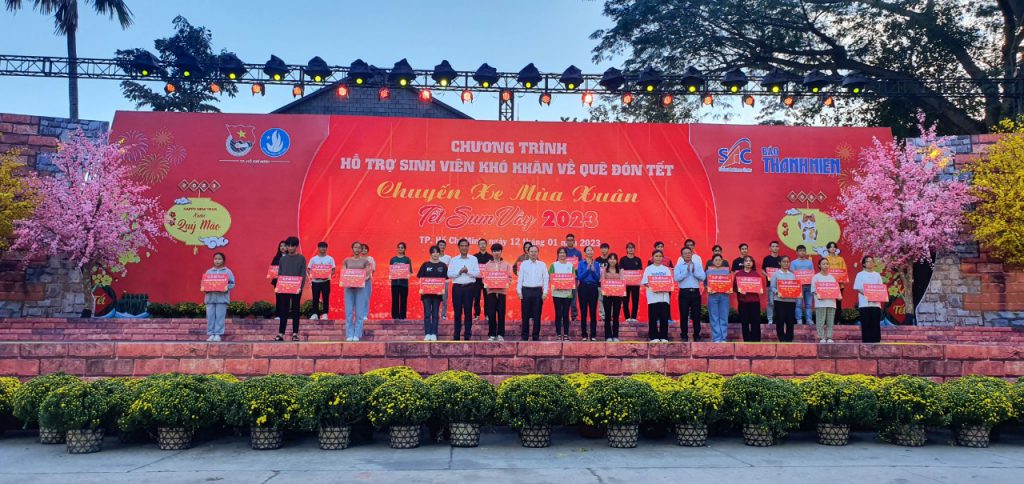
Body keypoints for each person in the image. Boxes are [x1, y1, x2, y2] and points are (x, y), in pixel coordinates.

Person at [447, 238, 481, 341]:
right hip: (457, 288)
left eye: (466, 246)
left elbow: (477, 273)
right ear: (459, 247)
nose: (464, 248)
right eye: (462, 246)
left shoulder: (473, 259)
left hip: (469, 288)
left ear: (468, 247)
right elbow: (449, 274)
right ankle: (456, 335)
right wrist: (459, 272)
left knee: (468, 312)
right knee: (457, 312)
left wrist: (467, 271)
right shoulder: (454, 260)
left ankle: (467, 335)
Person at [275, 236, 306, 342]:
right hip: (284, 288)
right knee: (283, 310)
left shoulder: (301, 258)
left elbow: (303, 273)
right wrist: (279, 286)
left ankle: (295, 334)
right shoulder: (283, 259)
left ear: (296, 246)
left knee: (295, 310)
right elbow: (280, 274)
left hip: (297, 289)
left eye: (292, 246)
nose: (290, 248)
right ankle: (281, 333)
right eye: (288, 246)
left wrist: (300, 287)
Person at [517, 245, 548, 341]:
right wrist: (519, 291)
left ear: (538, 253)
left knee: (537, 315)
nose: (533, 253)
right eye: (531, 251)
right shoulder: (524, 264)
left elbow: (546, 278)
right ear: (528, 252)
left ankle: (535, 336)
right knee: (525, 314)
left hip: (538, 291)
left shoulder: (542, 264)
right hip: (526, 290)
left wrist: (545, 292)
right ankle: (524, 336)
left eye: (535, 251)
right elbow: (520, 278)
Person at [673, 246, 705, 341]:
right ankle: (684, 334)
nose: (687, 254)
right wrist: (685, 272)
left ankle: (697, 335)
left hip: (695, 292)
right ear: (682, 256)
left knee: (696, 315)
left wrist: (695, 273)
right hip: (684, 293)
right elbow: (676, 278)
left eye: (689, 253)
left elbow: (703, 277)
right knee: (684, 314)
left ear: (692, 254)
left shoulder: (697, 265)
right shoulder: (679, 266)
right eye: (685, 253)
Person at [483, 243, 513, 341]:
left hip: (501, 293)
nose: (496, 253)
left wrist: (505, 282)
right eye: (494, 251)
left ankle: (500, 334)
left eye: (498, 251)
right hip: (491, 293)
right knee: (491, 314)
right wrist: (488, 282)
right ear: (492, 252)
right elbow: (484, 279)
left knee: (501, 314)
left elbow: (510, 278)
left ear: (501, 252)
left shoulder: (506, 264)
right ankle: (492, 334)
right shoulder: (487, 265)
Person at [416, 245, 447, 341]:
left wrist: (442, 289)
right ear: (430, 254)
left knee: (435, 314)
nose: (435, 254)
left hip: (437, 295)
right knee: (427, 314)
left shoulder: (443, 266)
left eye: (437, 252)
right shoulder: (425, 265)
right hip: (426, 295)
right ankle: (427, 333)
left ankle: (434, 333)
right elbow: (420, 278)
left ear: (439, 253)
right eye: (433, 252)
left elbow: (445, 279)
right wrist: (421, 288)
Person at [342, 241, 371, 342]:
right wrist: (349, 280)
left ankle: (357, 334)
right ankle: (349, 334)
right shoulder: (346, 260)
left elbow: (368, 274)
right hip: (349, 288)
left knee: (359, 312)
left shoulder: (365, 261)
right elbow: (343, 272)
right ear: (352, 249)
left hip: (360, 288)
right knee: (349, 312)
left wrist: (360, 280)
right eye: (355, 247)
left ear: (361, 249)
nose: (357, 249)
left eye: (359, 248)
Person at [641, 249, 672, 342]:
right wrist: (654, 287)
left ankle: (663, 336)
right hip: (653, 297)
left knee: (664, 318)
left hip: (664, 297)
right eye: (656, 256)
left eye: (660, 256)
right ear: (652, 258)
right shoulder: (649, 269)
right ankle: (653, 336)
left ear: (662, 258)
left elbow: (669, 282)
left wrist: (662, 287)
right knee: (653, 317)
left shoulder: (666, 269)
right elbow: (645, 282)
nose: (658, 258)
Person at [203, 252, 235, 342]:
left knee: (220, 317)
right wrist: (205, 288)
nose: (217, 261)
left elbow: (232, 283)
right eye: (215, 259)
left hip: (222, 299)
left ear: (223, 260)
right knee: (210, 317)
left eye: (219, 259)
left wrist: (225, 287)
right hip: (210, 299)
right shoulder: (209, 271)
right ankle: (211, 334)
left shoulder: (228, 271)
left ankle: (218, 334)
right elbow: (205, 284)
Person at [853, 255, 884, 343]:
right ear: (864, 264)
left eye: (872, 261)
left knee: (875, 323)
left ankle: (876, 341)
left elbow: (881, 288)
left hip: (876, 304)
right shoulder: (860, 274)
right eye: (868, 261)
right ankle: (866, 342)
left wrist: (875, 296)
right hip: (864, 304)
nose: (870, 263)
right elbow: (858, 288)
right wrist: (869, 295)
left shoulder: (877, 275)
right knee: (866, 323)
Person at [811, 258, 841, 343]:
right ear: (819, 265)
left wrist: (839, 295)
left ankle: (829, 337)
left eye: (827, 264)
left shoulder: (832, 277)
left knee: (830, 322)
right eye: (823, 264)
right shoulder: (816, 277)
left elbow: (836, 288)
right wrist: (820, 293)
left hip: (831, 302)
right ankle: (821, 337)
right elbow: (813, 289)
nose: (826, 265)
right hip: (821, 303)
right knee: (820, 321)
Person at [770, 256, 798, 342]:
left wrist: (797, 293)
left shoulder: (792, 275)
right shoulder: (776, 274)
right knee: (780, 320)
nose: (786, 263)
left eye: (787, 262)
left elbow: (795, 287)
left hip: (791, 301)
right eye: (784, 262)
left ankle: (789, 339)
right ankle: (781, 338)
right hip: (779, 301)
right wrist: (777, 292)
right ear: (780, 263)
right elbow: (772, 287)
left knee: (790, 321)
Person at [549, 247, 575, 340]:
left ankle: (566, 334)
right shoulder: (553, 265)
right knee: (558, 313)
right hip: (557, 293)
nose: (562, 254)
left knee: (566, 314)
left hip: (567, 293)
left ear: (566, 254)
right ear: (558, 254)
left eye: (563, 253)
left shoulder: (570, 265)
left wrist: (566, 283)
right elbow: (551, 278)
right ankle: (559, 334)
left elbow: (573, 278)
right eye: (560, 253)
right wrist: (557, 284)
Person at [577, 245, 601, 341]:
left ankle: (593, 335)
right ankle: (584, 334)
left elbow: (597, 278)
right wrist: (587, 269)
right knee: (583, 312)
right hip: (583, 287)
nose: (590, 252)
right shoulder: (581, 263)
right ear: (585, 252)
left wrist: (593, 271)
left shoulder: (596, 264)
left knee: (593, 311)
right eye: (588, 250)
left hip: (593, 287)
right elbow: (579, 277)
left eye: (591, 250)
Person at [735, 255, 762, 342]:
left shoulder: (756, 274)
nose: (748, 262)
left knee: (755, 322)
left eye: (750, 261)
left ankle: (756, 340)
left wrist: (760, 290)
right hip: (743, 302)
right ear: (743, 263)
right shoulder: (738, 274)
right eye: (746, 261)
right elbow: (734, 287)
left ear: (752, 263)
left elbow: (760, 287)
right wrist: (739, 290)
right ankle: (747, 340)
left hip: (754, 302)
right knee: (745, 322)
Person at [706, 254, 732, 343]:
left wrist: (729, 289)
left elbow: (729, 283)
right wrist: (708, 288)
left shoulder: (727, 272)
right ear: (713, 262)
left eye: (719, 260)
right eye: (716, 260)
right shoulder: (708, 272)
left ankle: (723, 338)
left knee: (724, 317)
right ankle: (716, 338)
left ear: (722, 261)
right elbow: (705, 283)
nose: (718, 262)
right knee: (714, 317)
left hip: (724, 296)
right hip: (712, 296)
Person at [307, 241, 336, 321]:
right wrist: (312, 275)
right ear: (318, 248)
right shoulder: (313, 259)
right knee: (315, 298)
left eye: (324, 247)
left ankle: (325, 314)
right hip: (315, 282)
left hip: (326, 282)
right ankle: (315, 314)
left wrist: (328, 275)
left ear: (326, 248)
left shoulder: (330, 259)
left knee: (325, 298)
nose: (322, 248)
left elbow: (333, 269)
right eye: (321, 247)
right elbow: (308, 269)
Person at [791, 244, 815, 325]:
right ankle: (799, 319)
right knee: (798, 304)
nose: (802, 252)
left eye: (804, 251)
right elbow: (792, 274)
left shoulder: (809, 262)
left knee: (809, 304)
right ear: (797, 252)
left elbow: (812, 274)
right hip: (798, 287)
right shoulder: (793, 263)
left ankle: (809, 319)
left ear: (806, 252)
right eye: (800, 251)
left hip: (808, 286)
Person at [601, 253, 624, 341]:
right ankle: (608, 336)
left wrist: (620, 293)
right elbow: (602, 281)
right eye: (610, 259)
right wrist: (605, 291)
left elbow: (622, 282)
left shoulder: (620, 270)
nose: (612, 260)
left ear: (617, 261)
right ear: (608, 260)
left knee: (616, 316)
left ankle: (615, 336)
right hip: (607, 295)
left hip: (617, 296)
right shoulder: (604, 270)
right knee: (607, 316)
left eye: (614, 259)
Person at [620, 242, 643, 323]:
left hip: (635, 284)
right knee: (625, 301)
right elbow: (621, 270)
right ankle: (627, 317)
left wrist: (637, 279)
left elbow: (639, 271)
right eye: (629, 248)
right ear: (626, 249)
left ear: (634, 249)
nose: (630, 249)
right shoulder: (623, 259)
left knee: (635, 300)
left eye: (632, 247)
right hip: (625, 284)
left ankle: (634, 317)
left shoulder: (638, 260)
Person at [761, 241, 783, 325]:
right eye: (773, 246)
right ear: (770, 248)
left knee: (779, 303)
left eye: (777, 246)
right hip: (770, 284)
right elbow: (762, 270)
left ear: (779, 248)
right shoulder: (767, 259)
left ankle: (779, 319)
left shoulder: (781, 259)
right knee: (770, 302)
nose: (775, 248)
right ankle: (770, 319)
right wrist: (768, 275)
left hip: (780, 285)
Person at [389, 242, 412, 320]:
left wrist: (408, 275)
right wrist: (390, 275)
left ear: (404, 249)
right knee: (395, 299)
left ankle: (403, 316)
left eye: (402, 247)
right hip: (394, 283)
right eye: (399, 247)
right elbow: (391, 271)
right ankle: (395, 316)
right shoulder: (393, 259)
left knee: (403, 300)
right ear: (397, 248)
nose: (400, 249)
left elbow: (410, 271)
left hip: (404, 283)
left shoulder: (407, 259)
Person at [825, 242, 848, 314]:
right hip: (829, 285)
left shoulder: (841, 259)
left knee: (838, 303)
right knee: (829, 302)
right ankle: (830, 318)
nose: (832, 248)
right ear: (827, 249)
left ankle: (838, 319)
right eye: (830, 247)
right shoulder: (825, 259)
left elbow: (844, 270)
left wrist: (844, 278)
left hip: (839, 284)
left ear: (836, 249)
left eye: (834, 247)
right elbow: (824, 270)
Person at [473, 239, 493, 321]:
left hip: (487, 281)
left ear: (486, 245)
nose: (482, 245)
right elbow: (472, 269)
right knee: (476, 298)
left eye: (484, 244)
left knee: (487, 298)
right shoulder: (474, 257)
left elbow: (492, 269)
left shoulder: (490, 257)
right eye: (480, 244)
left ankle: (487, 315)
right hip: (477, 281)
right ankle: (477, 315)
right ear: (478, 245)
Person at [564, 233, 583, 322]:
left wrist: (577, 273)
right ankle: (564, 316)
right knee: (564, 297)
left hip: (574, 279)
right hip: (563, 279)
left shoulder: (578, 253)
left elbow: (580, 266)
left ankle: (574, 316)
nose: (570, 241)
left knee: (574, 298)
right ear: (566, 241)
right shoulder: (563, 251)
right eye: (568, 240)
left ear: (574, 241)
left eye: (571, 240)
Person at [270, 240, 286, 321]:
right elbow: (272, 268)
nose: (282, 247)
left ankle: (285, 314)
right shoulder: (276, 258)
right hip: (277, 281)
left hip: (287, 281)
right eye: (281, 246)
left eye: (284, 246)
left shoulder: (290, 257)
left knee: (286, 298)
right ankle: (278, 314)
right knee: (278, 298)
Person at [595, 243, 611, 320]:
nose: (604, 250)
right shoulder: (597, 260)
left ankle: (609, 316)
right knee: (600, 300)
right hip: (599, 283)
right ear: (600, 249)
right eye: (602, 248)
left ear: (608, 249)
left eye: (605, 248)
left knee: (609, 301)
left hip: (609, 284)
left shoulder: (611, 259)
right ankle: (602, 316)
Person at [361, 243, 376, 324]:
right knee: (359, 298)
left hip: (367, 280)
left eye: (365, 248)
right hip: (358, 281)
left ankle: (365, 315)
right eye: (362, 248)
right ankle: (359, 314)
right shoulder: (357, 258)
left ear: (367, 250)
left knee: (366, 297)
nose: (364, 250)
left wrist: (367, 272)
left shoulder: (370, 259)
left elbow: (373, 269)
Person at [437, 239, 451, 320]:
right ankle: (436, 314)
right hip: (436, 282)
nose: (442, 247)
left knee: (444, 299)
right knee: (436, 299)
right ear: (437, 246)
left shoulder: (448, 258)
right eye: (440, 245)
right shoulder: (435, 256)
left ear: (445, 246)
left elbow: (450, 269)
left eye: (443, 245)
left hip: (445, 281)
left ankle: (443, 315)